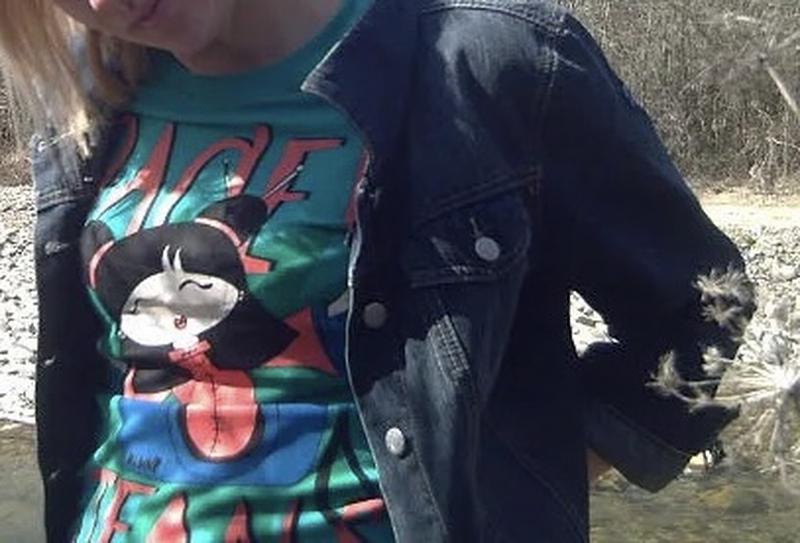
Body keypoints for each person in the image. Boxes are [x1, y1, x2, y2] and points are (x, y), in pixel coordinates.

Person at [0, 0, 755, 541]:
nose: (103, 4)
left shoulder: (491, 59)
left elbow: (698, 306)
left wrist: (513, 480)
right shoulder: (93, 95)